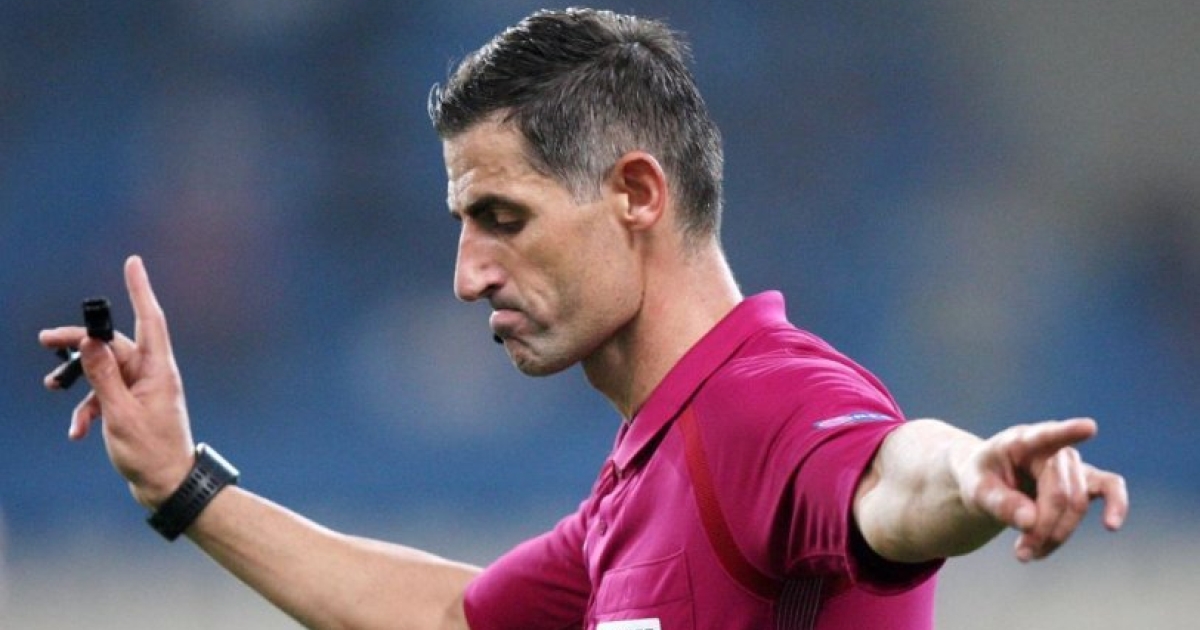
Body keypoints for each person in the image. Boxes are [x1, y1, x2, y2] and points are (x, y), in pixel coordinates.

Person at [39, 8, 1127, 630]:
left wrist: (974, 472)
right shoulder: (641, 479)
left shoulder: (767, 401)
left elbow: (891, 476)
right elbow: (451, 621)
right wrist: (180, 485)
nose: (469, 276)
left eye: (502, 218)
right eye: (465, 225)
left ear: (637, 194)